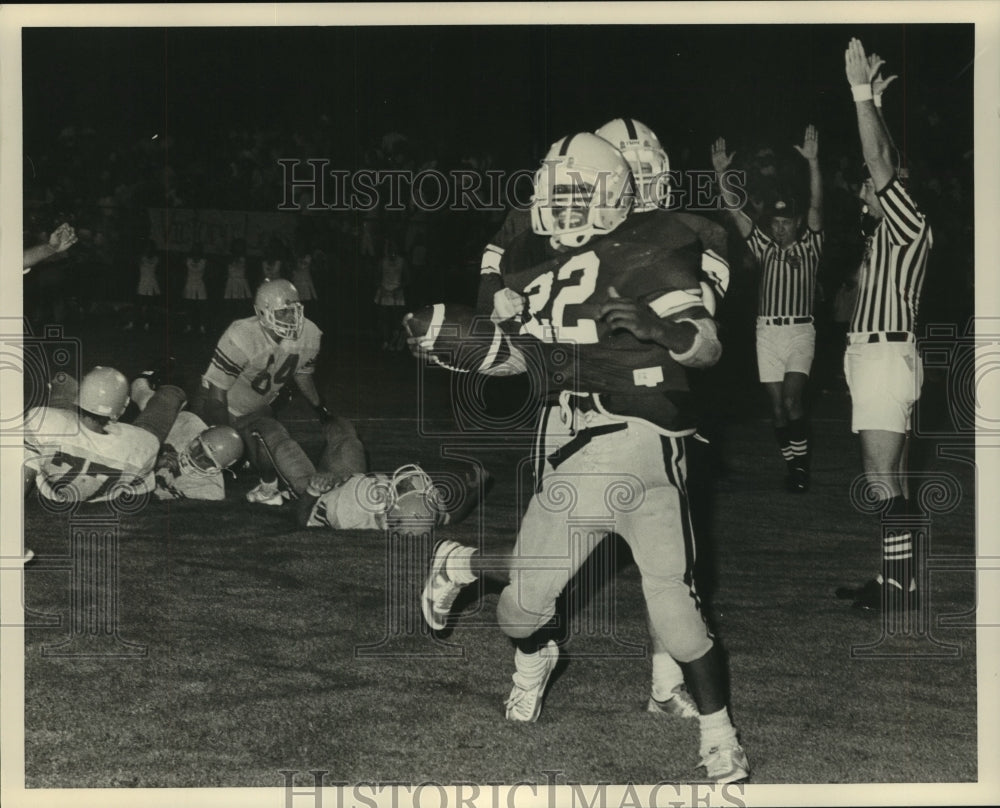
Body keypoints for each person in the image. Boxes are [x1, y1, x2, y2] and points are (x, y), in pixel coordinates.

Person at [415, 132, 749, 784]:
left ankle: (719, 734)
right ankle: (534, 652)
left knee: (676, 606)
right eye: (555, 193)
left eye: (576, 194)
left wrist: (663, 331)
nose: (560, 207)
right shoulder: (533, 263)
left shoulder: (658, 248)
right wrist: (472, 345)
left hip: (644, 443)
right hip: (568, 450)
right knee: (519, 611)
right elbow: (524, 356)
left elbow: (706, 345)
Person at [834, 39, 933, 613]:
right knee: (889, 479)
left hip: (883, 357)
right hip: (878, 357)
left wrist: (860, 94)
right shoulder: (890, 230)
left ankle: (897, 589)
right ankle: (896, 579)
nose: (864, 187)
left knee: (877, 477)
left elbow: (880, 164)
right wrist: (877, 108)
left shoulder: (907, 224)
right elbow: (884, 160)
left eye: (870, 186)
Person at [711, 126, 824, 492]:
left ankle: (800, 468)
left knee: (793, 400)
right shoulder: (763, 246)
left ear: (796, 223)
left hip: (799, 330)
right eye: (774, 222)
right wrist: (720, 173)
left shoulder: (810, 247)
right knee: (776, 409)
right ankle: (794, 465)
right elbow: (735, 211)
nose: (778, 228)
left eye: (785, 222)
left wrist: (812, 162)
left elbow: (817, 205)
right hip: (766, 331)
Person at [196, 278, 331, 506]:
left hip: (257, 410)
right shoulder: (242, 335)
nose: (292, 318)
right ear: (263, 314)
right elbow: (216, 396)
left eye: (294, 310)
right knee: (201, 458)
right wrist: (227, 438)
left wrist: (321, 409)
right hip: (218, 404)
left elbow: (303, 375)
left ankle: (268, 486)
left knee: (269, 437)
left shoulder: (310, 334)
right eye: (283, 313)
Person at [291, 416, 488, 532]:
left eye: (409, 488)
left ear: (396, 507)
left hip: (317, 489)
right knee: (345, 433)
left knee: (279, 442)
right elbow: (451, 518)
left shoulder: (349, 512)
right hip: (350, 476)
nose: (412, 483)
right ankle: (324, 416)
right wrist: (479, 489)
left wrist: (313, 491)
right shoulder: (417, 513)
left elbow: (303, 521)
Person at [24, 366, 186, 504]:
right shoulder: (144, 444)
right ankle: (158, 391)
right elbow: (138, 499)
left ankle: (69, 384)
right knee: (154, 420)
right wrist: (151, 465)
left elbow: (20, 483)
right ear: (120, 411)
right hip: (122, 451)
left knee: (62, 381)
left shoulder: (45, 421)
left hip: (61, 442)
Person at [129, 374, 244, 501]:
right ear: (198, 436)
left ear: (218, 469)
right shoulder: (188, 425)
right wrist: (152, 460)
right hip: (165, 426)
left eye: (207, 460)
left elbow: (140, 495)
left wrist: (152, 465)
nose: (197, 457)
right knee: (158, 401)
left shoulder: (210, 490)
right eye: (199, 448)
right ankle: (142, 381)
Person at [375, 239, 409, 350]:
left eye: (394, 248)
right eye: (390, 249)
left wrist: (399, 288)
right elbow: (377, 277)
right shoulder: (382, 261)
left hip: (397, 293)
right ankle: (385, 341)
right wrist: (381, 288)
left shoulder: (402, 262)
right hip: (384, 292)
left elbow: (407, 278)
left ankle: (395, 342)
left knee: (397, 318)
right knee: (383, 318)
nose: (392, 251)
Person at [124, 240, 162, 332]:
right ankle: (131, 323)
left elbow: (158, 272)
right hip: (142, 284)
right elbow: (133, 261)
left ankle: (147, 324)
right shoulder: (141, 258)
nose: (149, 249)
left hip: (152, 284)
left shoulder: (157, 259)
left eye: (150, 247)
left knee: (149, 305)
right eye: (147, 247)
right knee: (137, 305)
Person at [182, 244, 209, 335]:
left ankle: (202, 327)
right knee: (189, 307)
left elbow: (207, 275)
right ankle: (188, 326)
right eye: (194, 249)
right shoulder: (187, 260)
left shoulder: (204, 261)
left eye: (198, 249)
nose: (196, 251)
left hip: (200, 285)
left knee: (202, 307)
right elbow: (184, 273)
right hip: (189, 285)